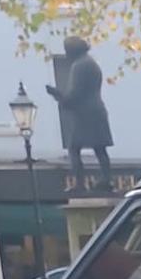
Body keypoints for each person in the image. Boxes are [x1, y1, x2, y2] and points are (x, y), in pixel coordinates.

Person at [48, 37, 113, 195]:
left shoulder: (79, 66)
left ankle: (80, 184)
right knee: (100, 149)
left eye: (67, 50)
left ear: (72, 50)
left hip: (85, 114)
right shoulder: (92, 63)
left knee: (74, 148)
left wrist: (57, 95)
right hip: (97, 110)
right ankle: (107, 180)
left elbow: (75, 95)